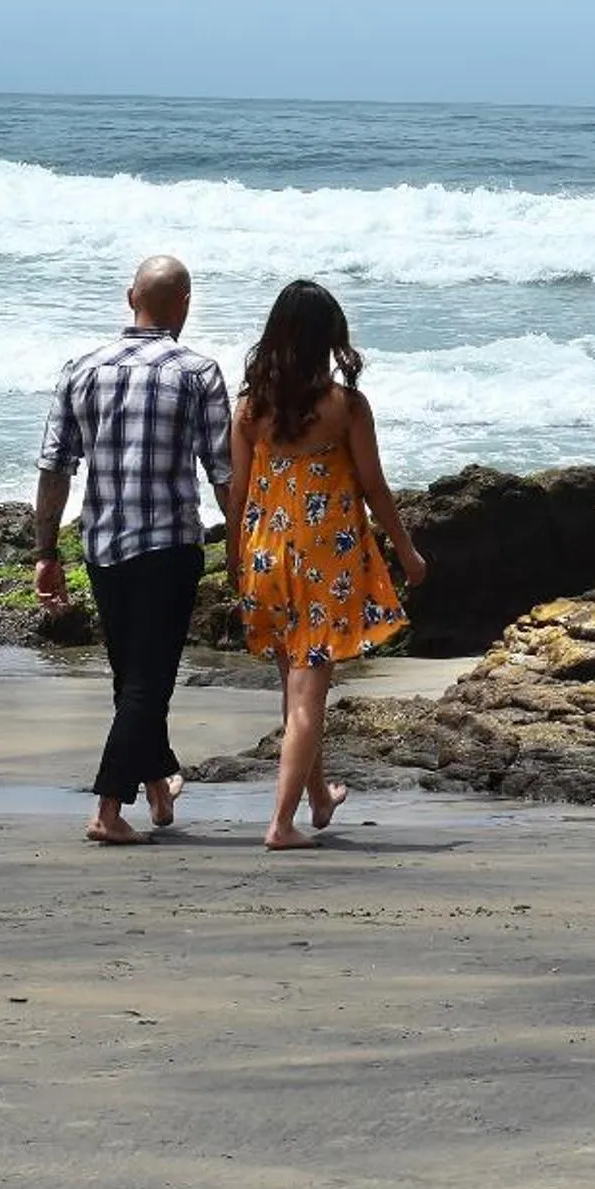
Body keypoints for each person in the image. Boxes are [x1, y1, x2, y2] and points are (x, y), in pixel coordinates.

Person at [35, 254, 233, 846]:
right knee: (148, 682)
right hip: (169, 543)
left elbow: (54, 467)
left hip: (102, 545)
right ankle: (107, 808)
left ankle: (156, 783)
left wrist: (46, 551)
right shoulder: (197, 372)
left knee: (132, 679)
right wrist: (246, 543)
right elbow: (223, 471)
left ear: (130, 298)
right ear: (186, 305)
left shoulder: (83, 368)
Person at [229, 279, 428, 851]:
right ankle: (281, 823)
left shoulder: (250, 408)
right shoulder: (344, 406)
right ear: (327, 339)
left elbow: (238, 493)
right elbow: (373, 486)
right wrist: (406, 551)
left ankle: (317, 797)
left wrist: (236, 562)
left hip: (266, 552)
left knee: (291, 685)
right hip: (324, 557)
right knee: (309, 696)